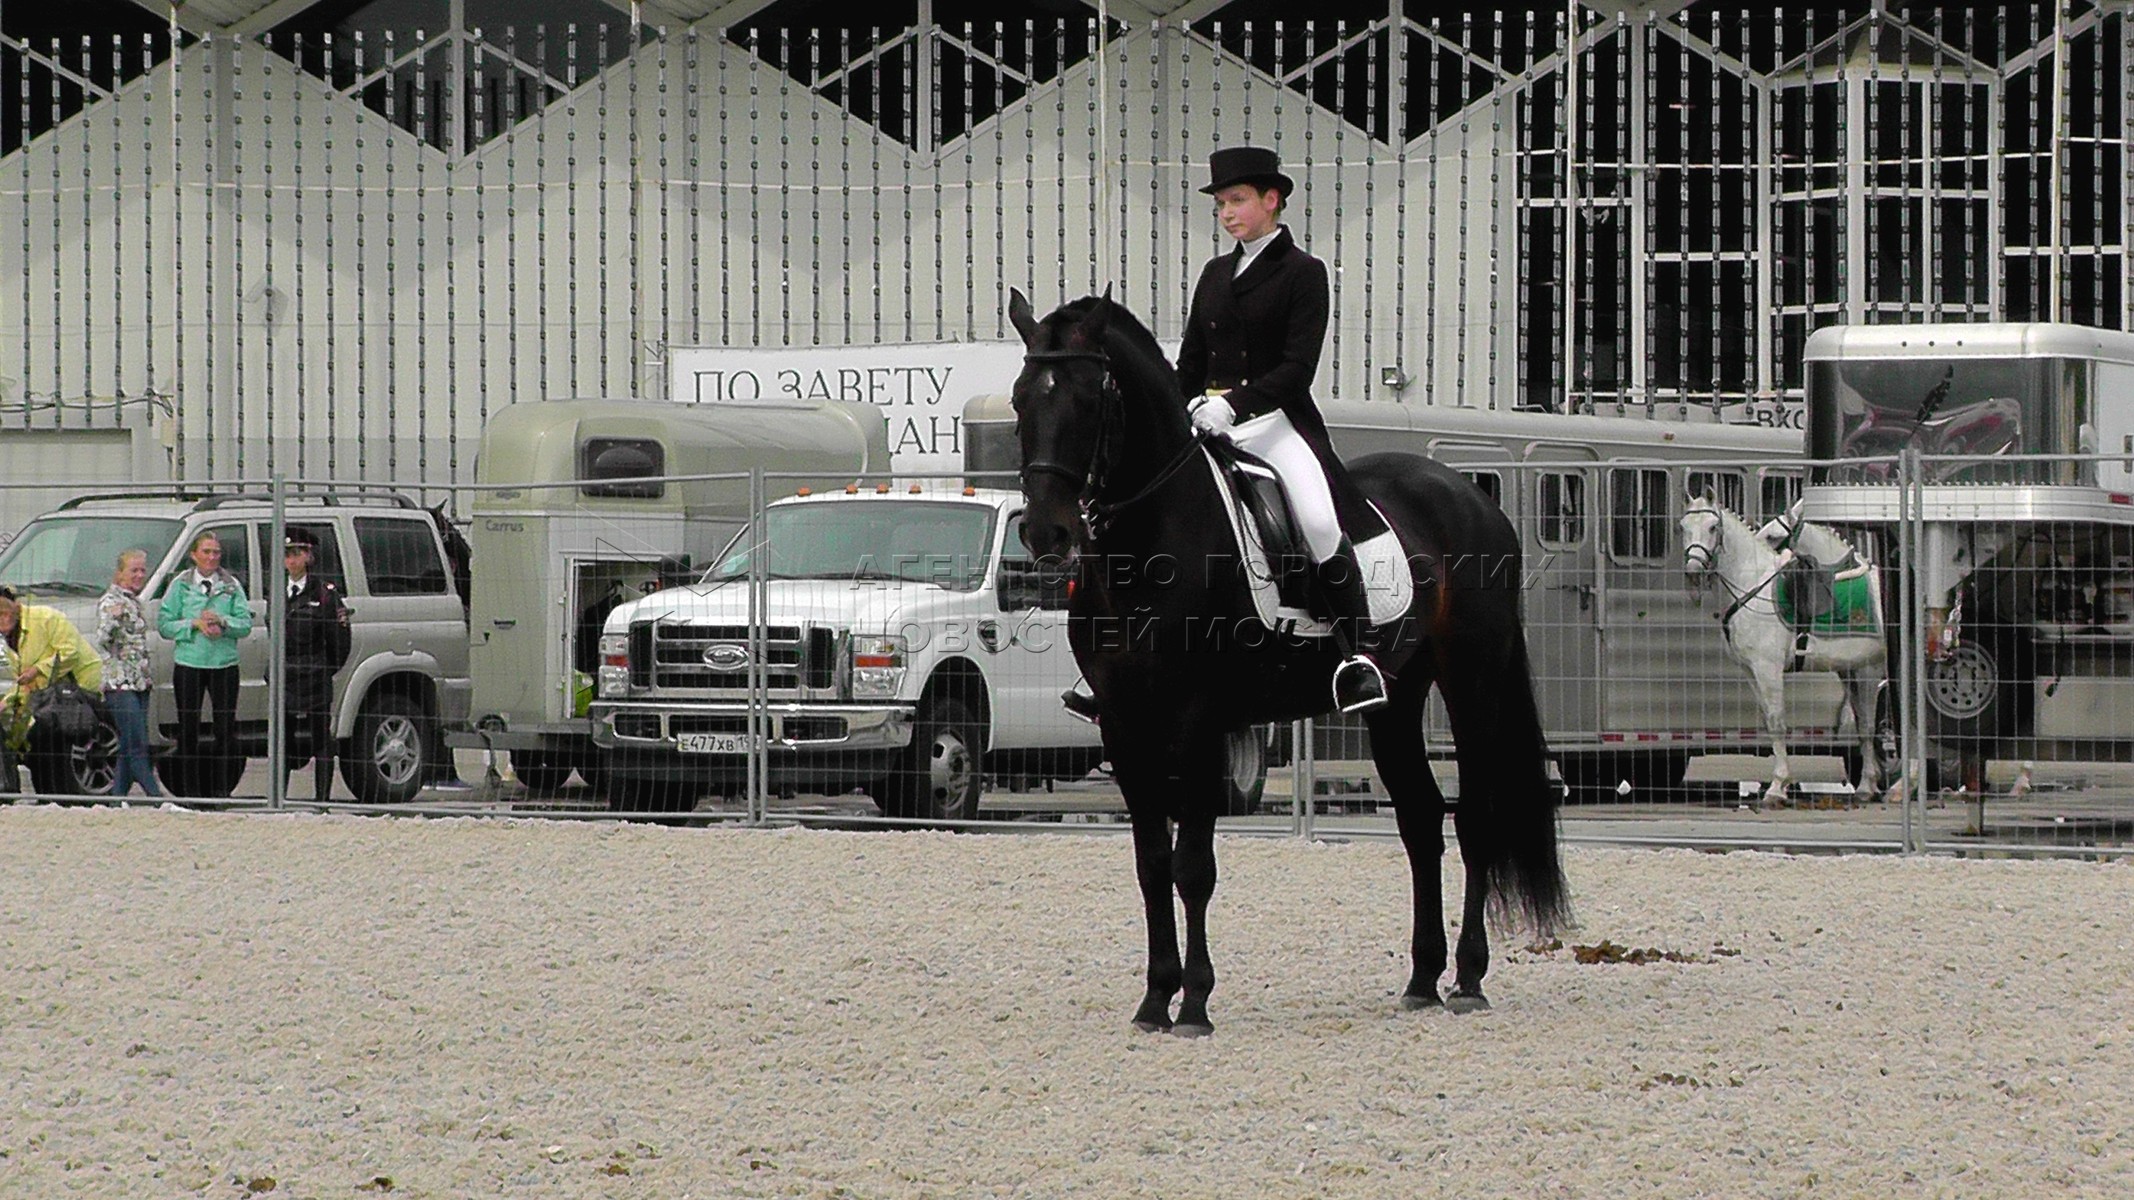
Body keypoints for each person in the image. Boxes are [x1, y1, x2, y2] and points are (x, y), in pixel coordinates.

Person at [157, 531, 252, 791]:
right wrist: (193, 624)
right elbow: (165, 624)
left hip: (224, 666)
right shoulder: (180, 585)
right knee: (188, 729)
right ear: (193, 555)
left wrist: (224, 622)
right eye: (206, 552)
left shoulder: (231, 585)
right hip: (189, 665)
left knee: (225, 730)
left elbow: (245, 624)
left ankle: (222, 790)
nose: (212, 557)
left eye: (216, 552)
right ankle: (190, 792)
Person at [0, 585, 105, 790]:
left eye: (4, 613)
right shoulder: (10, 641)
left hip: (79, 691)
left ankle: (59, 795)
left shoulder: (46, 618)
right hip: (49, 700)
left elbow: (70, 652)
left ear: (15, 608)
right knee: (34, 742)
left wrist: (38, 670)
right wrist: (6, 702)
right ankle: (46, 796)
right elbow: (24, 683)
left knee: (46, 739)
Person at [277, 527, 351, 803]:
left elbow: (340, 641)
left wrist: (324, 668)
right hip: (286, 677)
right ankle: (279, 799)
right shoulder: (277, 591)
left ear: (309, 556)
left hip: (315, 676)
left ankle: (322, 800)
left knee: (321, 741)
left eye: (297, 553)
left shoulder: (324, 594)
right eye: (287, 554)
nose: (291, 560)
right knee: (283, 741)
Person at [94, 550, 162, 797]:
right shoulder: (110, 601)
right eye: (134, 570)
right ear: (120, 573)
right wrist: (113, 618)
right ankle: (156, 798)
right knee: (137, 744)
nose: (139, 575)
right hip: (119, 683)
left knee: (127, 744)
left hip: (140, 682)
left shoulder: (134, 601)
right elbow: (102, 639)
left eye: (142, 570)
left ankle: (118, 800)